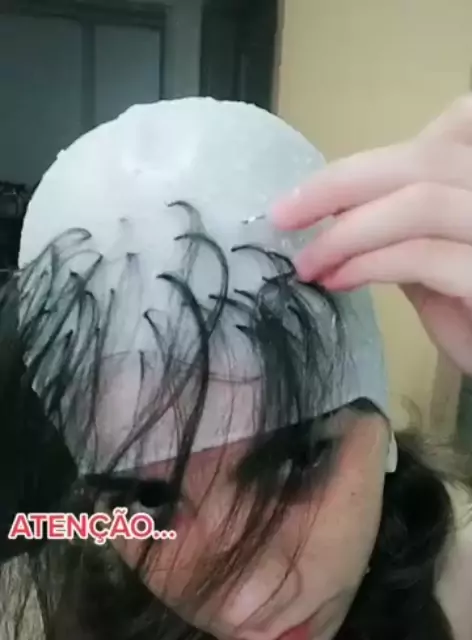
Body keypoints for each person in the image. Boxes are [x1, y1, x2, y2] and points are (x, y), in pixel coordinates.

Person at [0, 95, 470, 640]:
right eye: (151, 500)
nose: (249, 604)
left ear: (378, 414)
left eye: (298, 462)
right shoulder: (96, 609)